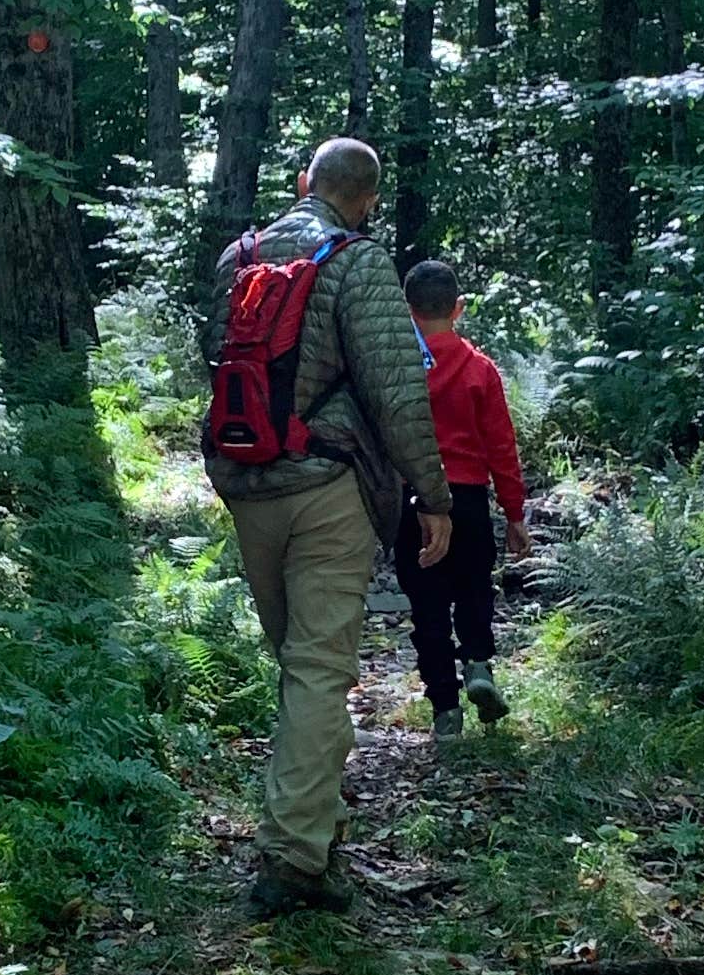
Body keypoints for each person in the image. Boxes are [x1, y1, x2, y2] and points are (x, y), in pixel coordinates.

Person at [203, 137, 451, 917]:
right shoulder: (358, 263)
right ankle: (294, 859)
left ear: (305, 182)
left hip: (246, 485)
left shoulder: (237, 258)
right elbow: (398, 392)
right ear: (366, 199)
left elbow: (212, 364)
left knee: (295, 660)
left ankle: (312, 816)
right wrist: (433, 496)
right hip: (329, 488)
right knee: (316, 667)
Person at [398, 257, 531, 731]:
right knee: (475, 588)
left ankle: (445, 710)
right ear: (459, 308)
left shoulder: (397, 373)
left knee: (427, 607)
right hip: (469, 501)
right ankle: (478, 663)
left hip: (413, 502)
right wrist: (514, 514)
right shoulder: (481, 371)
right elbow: (501, 447)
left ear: (407, 311)